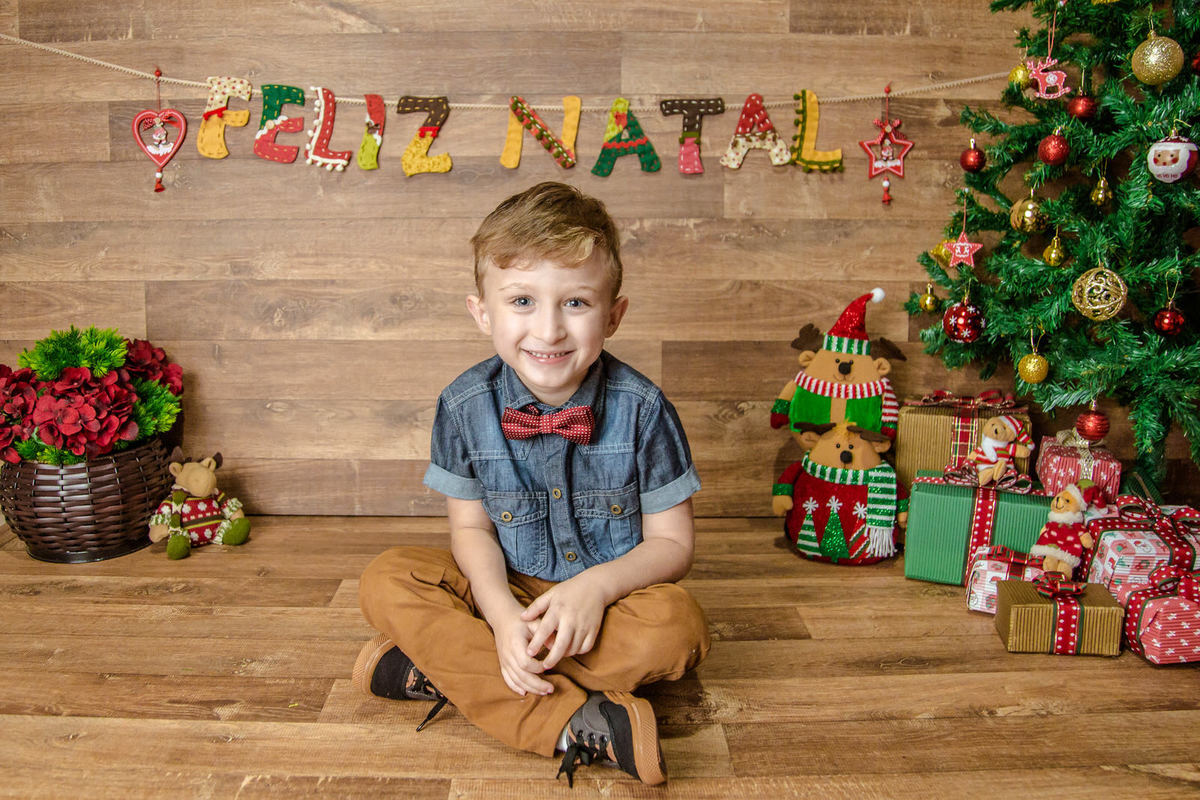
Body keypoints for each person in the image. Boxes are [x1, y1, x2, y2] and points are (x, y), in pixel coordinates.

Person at [353, 181, 710, 787]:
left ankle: (448, 671)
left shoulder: (644, 409)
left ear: (614, 314)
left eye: (575, 303)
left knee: (678, 629)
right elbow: (470, 529)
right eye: (522, 301)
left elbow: (673, 546)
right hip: (506, 587)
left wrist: (593, 591)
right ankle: (575, 719)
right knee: (387, 579)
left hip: (611, 602)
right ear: (482, 312)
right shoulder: (463, 405)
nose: (548, 331)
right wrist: (497, 616)